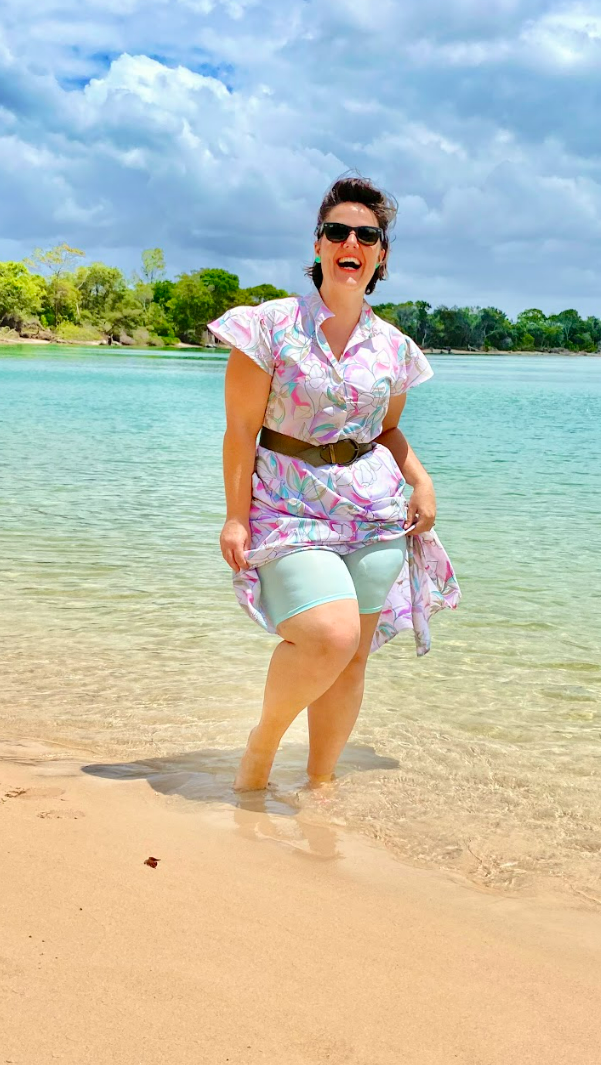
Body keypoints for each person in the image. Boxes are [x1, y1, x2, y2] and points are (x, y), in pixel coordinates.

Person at [209, 175, 459, 792]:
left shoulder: (394, 348)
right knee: (329, 635)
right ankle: (261, 751)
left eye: (366, 235)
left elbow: (388, 433)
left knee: (351, 663)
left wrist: (421, 482)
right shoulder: (267, 327)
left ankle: (320, 787)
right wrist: (235, 516)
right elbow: (241, 432)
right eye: (337, 231)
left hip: (373, 509)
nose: (351, 242)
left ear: (381, 256)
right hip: (287, 505)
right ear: (319, 245)